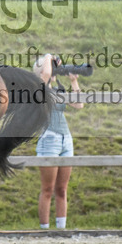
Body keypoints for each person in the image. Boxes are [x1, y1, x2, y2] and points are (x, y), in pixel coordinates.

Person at [33, 53, 83, 230]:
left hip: (65, 139)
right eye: (52, 68)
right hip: (49, 139)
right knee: (47, 189)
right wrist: (49, 56)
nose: (54, 71)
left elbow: (79, 104)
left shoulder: (57, 89)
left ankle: (61, 229)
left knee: (62, 189)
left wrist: (73, 81)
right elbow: (46, 74)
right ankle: (44, 230)